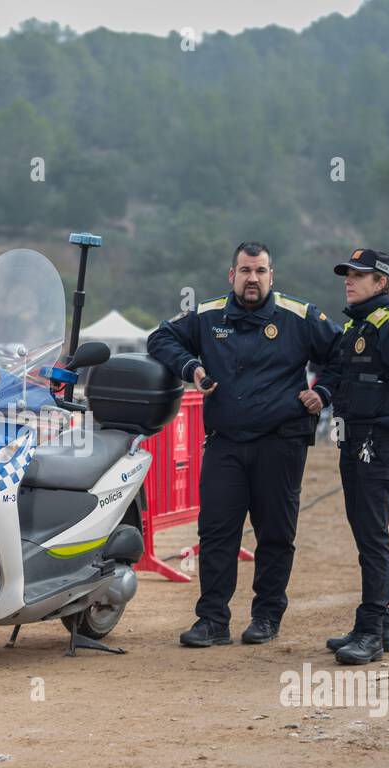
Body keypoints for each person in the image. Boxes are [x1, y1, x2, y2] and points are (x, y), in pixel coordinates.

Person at [147, 241, 340, 648]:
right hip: (225, 444)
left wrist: (322, 392)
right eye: (245, 271)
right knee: (217, 534)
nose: (253, 279)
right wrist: (192, 368)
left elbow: (340, 357)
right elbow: (160, 338)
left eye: (261, 271)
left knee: (275, 534)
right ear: (231, 275)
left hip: (281, 444)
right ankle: (212, 620)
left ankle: (267, 617)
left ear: (272, 275)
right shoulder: (207, 315)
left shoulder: (300, 316)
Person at [300, 249, 389, 664]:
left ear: (381, 283)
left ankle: (370, 631)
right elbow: (340, 376)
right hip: (355, 442)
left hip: (381, 446)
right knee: (366, 536)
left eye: (359, 275)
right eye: (347, 274)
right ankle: (382, 627)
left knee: (374, 538)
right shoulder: (358, 326)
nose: (349, 280)